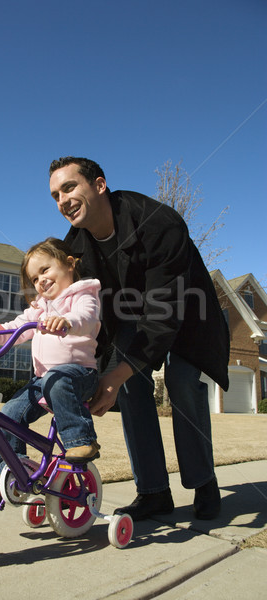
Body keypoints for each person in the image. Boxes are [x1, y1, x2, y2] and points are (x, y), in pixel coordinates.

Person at [48, 156, 230, 521]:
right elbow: (79, 308)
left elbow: (164, 314)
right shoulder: (75, 248)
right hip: (129, 318)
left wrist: (115, 377)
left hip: (186, 313)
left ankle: (203, 482)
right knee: (128, 386)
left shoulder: (160, 223)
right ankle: (153, 492)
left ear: (99, 185)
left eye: (70, 187)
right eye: (55, 194)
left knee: (181, 383)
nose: (62, 200)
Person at [0, 237, 101, 502]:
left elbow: (87, 318)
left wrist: (66, 321)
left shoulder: (83, 294)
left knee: (57, 380)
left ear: (69, 264)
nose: (40, 280)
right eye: (34, 278)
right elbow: (15, 329)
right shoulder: (39, 307)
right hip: (43, 381)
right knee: (10, 415)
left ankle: (81, 441)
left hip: (78, 375)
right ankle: (15, 474)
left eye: (45, 270)